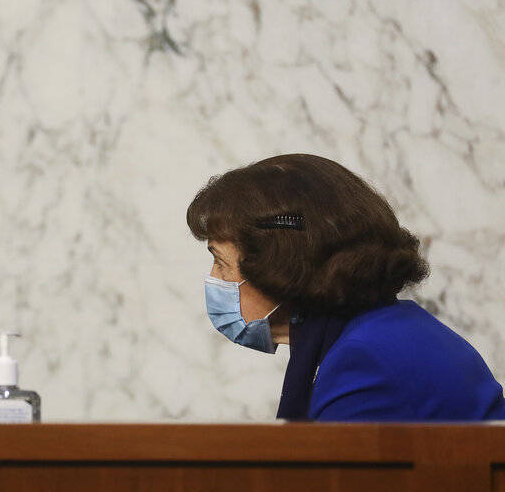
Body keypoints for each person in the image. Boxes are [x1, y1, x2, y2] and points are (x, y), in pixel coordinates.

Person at [186, 153, 505, 421]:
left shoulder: (364, 361)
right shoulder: (389, 330)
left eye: (221, 262)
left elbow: (323, 479)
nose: (214, 278)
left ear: (280, 267)